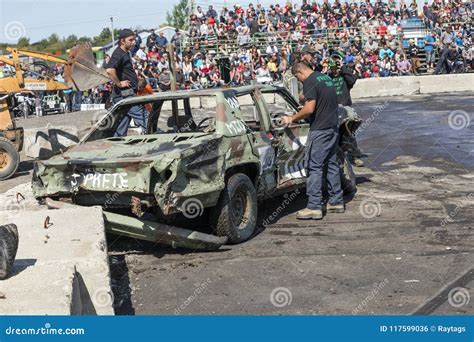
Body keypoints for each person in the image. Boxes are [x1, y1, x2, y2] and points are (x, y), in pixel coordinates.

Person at [282, 62, 344, 220]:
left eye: (298, 78)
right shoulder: (325, 78)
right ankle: (336, 201)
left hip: (320, 130)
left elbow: (309, 109)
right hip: (332, 127)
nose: (300, 81)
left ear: (300, 73)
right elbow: (323, 100)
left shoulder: (309, 81)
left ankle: (314, 206)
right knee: (331, 164)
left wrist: (292, 118)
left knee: (313, 166)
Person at [106, 29, 147, 137]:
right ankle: (163, 137)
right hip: (124, 96)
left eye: (134, 39)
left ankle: (116, 144)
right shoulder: (118, 53)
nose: (133, 42)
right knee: (145, 118)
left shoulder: (125, 53)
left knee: (122, 125)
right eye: (130, 40)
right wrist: (119, 83)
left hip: (126, 94)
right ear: (122, 41)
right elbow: (110, 70)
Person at [327, 58, 364, 167]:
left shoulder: (345, 77)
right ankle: (340, 157)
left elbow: (352, 80)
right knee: (337, 134)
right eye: (332, 69)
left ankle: (355, 156)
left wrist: (343, 68)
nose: (334, 71)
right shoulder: (329, 78)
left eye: (336, 68)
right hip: (334, 109)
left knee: (349, 133)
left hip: (346, 110)